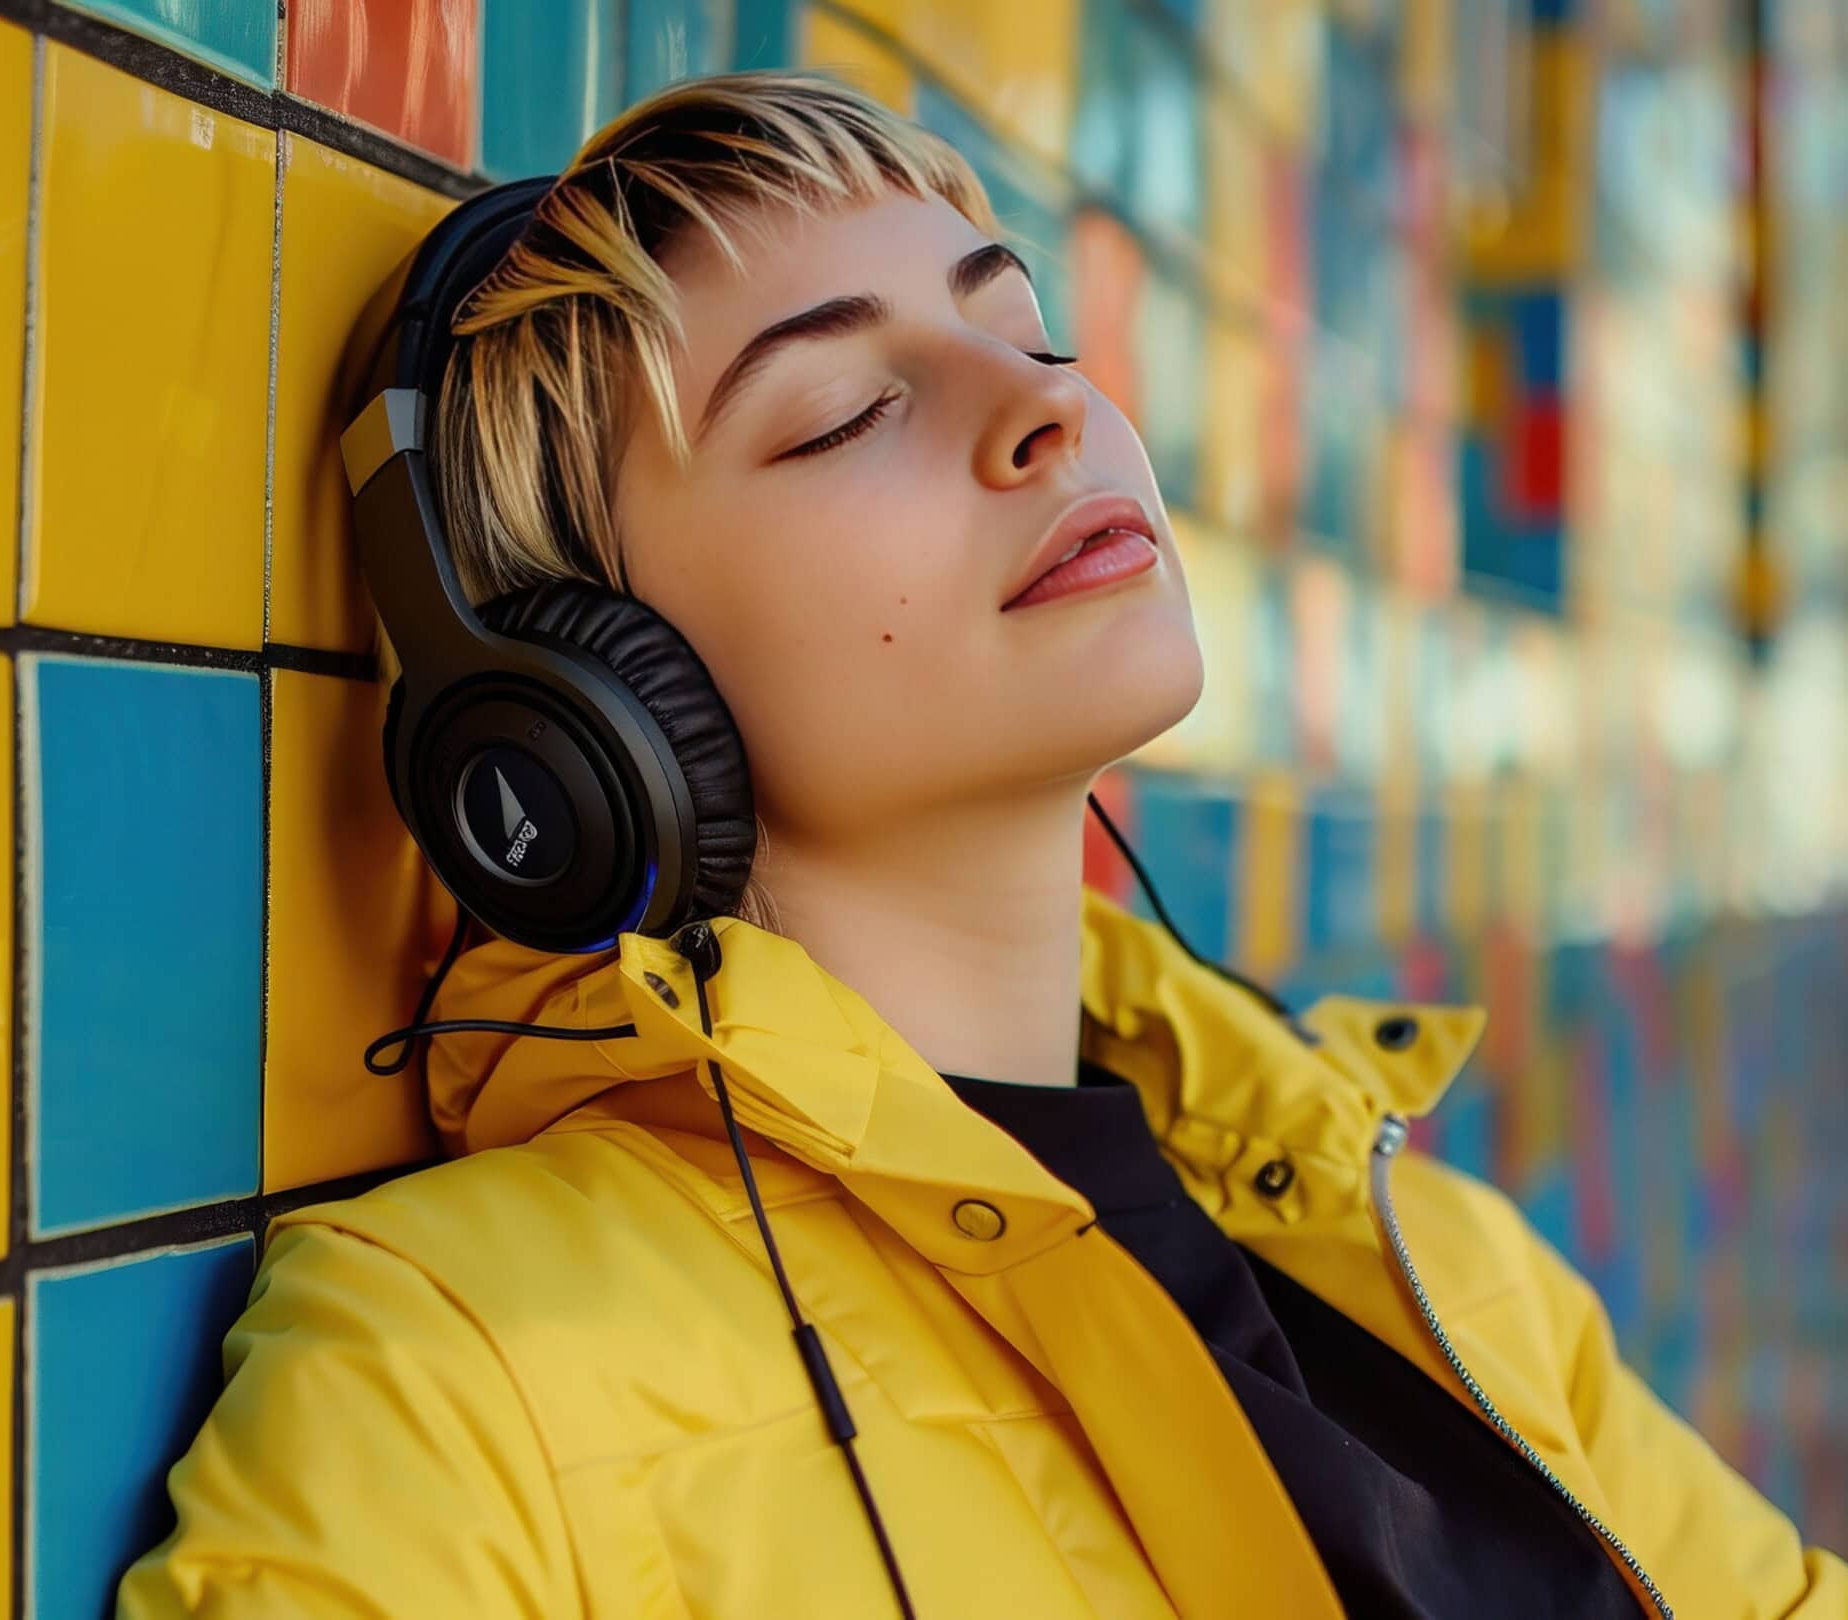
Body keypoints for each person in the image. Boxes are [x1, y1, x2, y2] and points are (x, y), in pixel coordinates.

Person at [115, 70, 1846, 1618]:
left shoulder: (1410, 1242)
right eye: (842, 414)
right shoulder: (452, 1379)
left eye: (1029, 336)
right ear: (589, 718)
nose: (1049, 417)